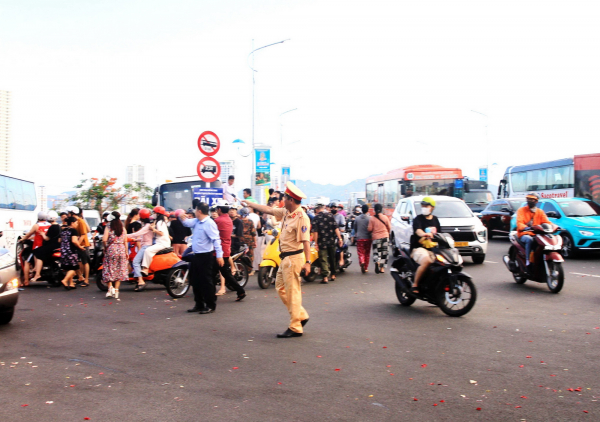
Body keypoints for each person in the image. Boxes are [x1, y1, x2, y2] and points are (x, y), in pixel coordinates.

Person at [243, 182, 311, 338]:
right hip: (285, 258)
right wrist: (249, 203)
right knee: (280, 288)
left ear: (291, 200)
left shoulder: (302, 217)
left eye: (284, 198)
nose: (282, 201)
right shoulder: (287, 212)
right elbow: (268, 209)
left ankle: (295, 326)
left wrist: (308, 262)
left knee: (293, 292)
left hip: (294, 258)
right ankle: (301, 315)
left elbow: (306, 241)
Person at [179, 202, 224, 314]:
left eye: (195, 210)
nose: (194, 212)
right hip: (196, 255)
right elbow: (186, 223)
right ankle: (199, 304)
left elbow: (216, 240)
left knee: (206, 281)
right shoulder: (197, 221)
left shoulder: (209, 223)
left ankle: (210, 305)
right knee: (195, 280)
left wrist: (219, 255)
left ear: (199, 211)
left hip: (206, 256)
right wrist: (182, 218)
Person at [212, 200, 246, 301]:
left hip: (218, 250)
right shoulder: (229, 220)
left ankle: (240, 291)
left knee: (217, 273)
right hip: (225, 249)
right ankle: (240, 291)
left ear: (219, 209)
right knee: (223, 272)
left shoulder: (218, 221)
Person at [410, 197, 441, 294]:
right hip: (418, 248)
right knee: (427, 261)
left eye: (426, 206)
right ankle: (415, 284)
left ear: (432, 207)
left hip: (433, 249)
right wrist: (424, 234)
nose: (424, 208)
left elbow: (440, 234)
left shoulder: (435, 219)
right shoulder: (418, 219)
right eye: (422, 206)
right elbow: (418, 230)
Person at [517, 193, 552, 266]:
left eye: (532, 199)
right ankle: (528, 260)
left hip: (537, 234)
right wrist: (526, 227)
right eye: (528, 199)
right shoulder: (521, 210)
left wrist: (553, 227)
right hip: (524, 233)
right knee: (529, 240)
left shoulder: (540, 212)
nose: (530, 201)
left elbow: (546, 222)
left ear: (536, 201)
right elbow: (519, 223)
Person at [311, 204, 343, 283]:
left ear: (317, 210)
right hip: (331, 240)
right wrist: (340, 238)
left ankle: (325, 277)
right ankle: (333, 275)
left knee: (323, 259)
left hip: (322, 242)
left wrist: (316, 243)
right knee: (332, 258)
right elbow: (336, 228)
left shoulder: (316, 218)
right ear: (323, 209)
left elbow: (315, 232)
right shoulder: (330, 216)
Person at [19, 211, 51, 286]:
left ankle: (26, 281)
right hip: (47, 247)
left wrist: (22, 239)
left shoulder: (36, 226)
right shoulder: (50, 225)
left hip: (37, 247)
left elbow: (29, 234)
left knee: (27, 262)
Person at [102, 211, 129, 299]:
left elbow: (104, 239)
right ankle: (116, 290)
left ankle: (110, 288)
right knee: (119, 270)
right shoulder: (122, 227)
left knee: (109, 269)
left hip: (111, 249)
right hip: (121, 249)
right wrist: (126, 252)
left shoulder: (108, 227)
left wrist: (105, 248)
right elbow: (125, 241)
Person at [30, 211, 61, 282]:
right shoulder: (59, 226)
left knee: (37, 253)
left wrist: (42, 234)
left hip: (50, 246)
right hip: (57, 245)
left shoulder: (52, 227)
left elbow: (47, 238)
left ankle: (37, 273)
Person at [140, 206, 172, 276]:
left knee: (148, 251)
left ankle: (145, 269)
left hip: (162, 243)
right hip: (160, 242)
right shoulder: (159, 222)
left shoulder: (160, 222)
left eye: (154, 212)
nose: (153, 214)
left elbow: (161, 233)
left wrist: (153, 229)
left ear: (158, 213)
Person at [127, 209, 153, 291]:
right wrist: (134, 240)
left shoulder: (147, 226)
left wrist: (123, 235)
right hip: (146, 245)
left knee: (135, 262)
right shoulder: (148, 225)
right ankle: (138, 278)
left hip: (146, 246)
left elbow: (136, 234)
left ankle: (141, 281)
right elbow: (142, 238)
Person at [60, 217, 85, 290]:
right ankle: (65, 280)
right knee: (74, 267)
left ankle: (71, 283)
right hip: (71, 251)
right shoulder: (73, 231)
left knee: (68, 267)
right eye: (76, 223)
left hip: (63, 251)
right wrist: (80, 247)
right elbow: (74, 241)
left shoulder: (63, 230)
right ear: (72, 223)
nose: (77, 224)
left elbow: (59, 240)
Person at [368, 203, 391, 274]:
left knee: (376, 252)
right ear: (381, 210)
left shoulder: (372, 218)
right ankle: (382, 268)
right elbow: (389, 228)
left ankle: (377, 261)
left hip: (376, 238)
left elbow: (369, 229)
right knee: (384, 252)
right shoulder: (385, 217)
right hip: (385, 236)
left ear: (374, 210)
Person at [239, 207, 257, 275]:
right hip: (250, 241)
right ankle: (250, 270)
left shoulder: (239, 221)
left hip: (241, 240)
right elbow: (253, 233)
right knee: (250, 256)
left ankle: (242, 269)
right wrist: (255, 242)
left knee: (241, 255)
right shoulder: (250, 221)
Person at [354, 204, 372, 273]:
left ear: (361, 210)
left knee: (360, 252)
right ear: (368, 210)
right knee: (367, 253)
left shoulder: (357, 218)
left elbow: (355, 227)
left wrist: (357, 233)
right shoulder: (370, 218)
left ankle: (362, 261)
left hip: (359, 238)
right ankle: (366, 267)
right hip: (368, 238)